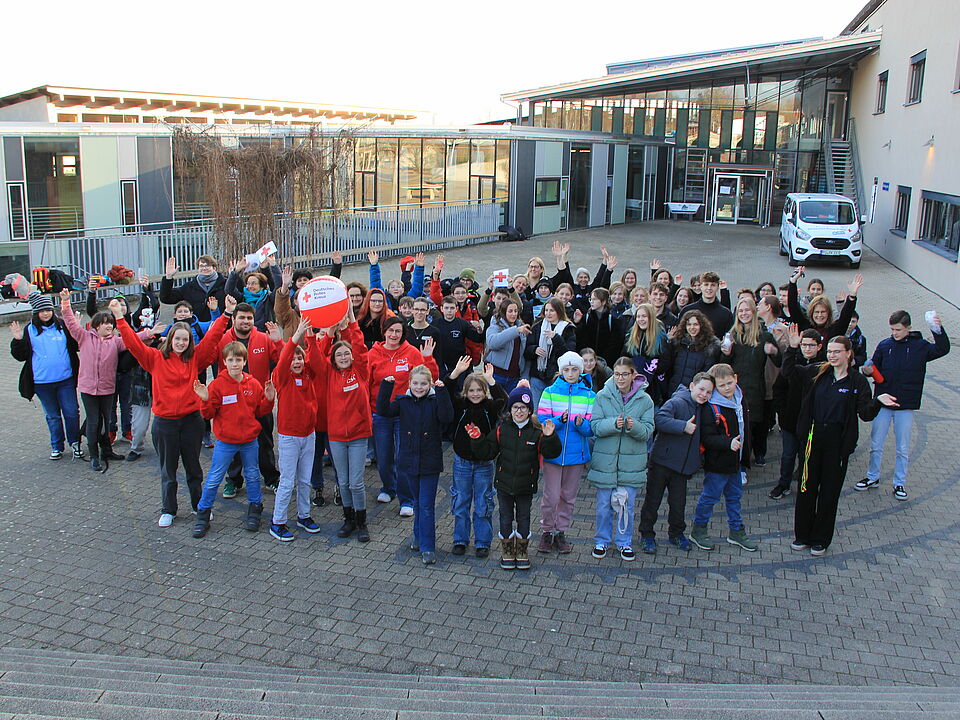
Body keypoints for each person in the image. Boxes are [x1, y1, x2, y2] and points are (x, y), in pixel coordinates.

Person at [115, 294, 234, 527]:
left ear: (190, 342)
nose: (181, 343)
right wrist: (120, 318)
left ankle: (199, 505)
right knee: (168, 469)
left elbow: (212, 338)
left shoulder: (195, 358)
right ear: (170, 339)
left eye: (185, 340)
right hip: (165, 423)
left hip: (191, 421)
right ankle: (168, 509)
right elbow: (133, 345)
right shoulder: (154, 358)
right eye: (178, 339)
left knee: (193, 468)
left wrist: (227, 314)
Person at [786, 330, 896, 555]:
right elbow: (788, 372)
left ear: (848, 353)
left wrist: (878, 401)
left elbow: (865, 413)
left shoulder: (857, 381)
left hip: (837, 442)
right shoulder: (818, 372)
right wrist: (792, 348)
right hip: (813, 437)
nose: (832, 356)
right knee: (806, 488)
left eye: (837, 352)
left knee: (829, 492)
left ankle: (821, 539)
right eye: (829, 352)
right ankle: (802, 535)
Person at [856, 310, 949, 500]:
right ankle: (872, 477)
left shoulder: (920, 346)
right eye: (892, 329)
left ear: (909, 328)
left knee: (903, 447)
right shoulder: (885, 345)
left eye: (898, 329)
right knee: (876, 443)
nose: (894, 333)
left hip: (905, 405)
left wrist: (937, 329)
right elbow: (873, 365)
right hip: (883, 402)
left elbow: (942, 349)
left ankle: (899, 483)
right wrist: (867, 370)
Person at [60, 291, 157, 472]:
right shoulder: (84, 337)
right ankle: (94, 456)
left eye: (111, 323)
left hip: (107, 389)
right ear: (96, 326)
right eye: (105, 323)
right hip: (88, 389)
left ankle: (107, 451)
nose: (109, 326)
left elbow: (133, 339)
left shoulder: (116, 342)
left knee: (106, 420)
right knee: (93, 422)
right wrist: (66, 303)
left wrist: (150, 333)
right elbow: (70, 322)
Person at [468, 384, 561, 571]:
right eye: (516, 407)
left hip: (526, 486)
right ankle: (508, 551)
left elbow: (552, 452)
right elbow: (488, 452)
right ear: (510, 410)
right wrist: (477, 439)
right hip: (504, 485)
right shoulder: (502, 430)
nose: (519, 411)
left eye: (523, 408)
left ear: (530, 410)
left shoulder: (536, 432)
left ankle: (522, 551)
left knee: (524, 518)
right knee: (505, 518)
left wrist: (550, 437)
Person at [192, 341, 276, 538]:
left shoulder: (253, 384)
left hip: (249, 441)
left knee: (253, 476)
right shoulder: (217, 385)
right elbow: (208, 414)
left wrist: (269, 399)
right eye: (231, 360)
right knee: (214, 477)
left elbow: (260, 411)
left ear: (244, 361)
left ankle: (255, 508)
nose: (235, 364)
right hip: (226, 442)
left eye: (238, 360)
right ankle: (203, 513)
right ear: (224, 362)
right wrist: (205, 399)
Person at [377, 365, 453, 565]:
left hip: (430, 462)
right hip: (409, 461)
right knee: (418, 503)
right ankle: (418, 537)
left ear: (430, 384)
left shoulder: (435, 402)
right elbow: (383, 410)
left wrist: (442, 391)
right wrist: (386, 387)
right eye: (416, 383)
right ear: (409, 383)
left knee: (426, 506)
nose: (419, 387)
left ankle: (428, 547)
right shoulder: (403, 402)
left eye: (424, 384)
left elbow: (447, 417)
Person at [367, 316, 439, 515]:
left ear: (403, 333)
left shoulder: (412, 353)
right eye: (390, 330)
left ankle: (407, 499)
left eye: (398, 331)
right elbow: (366, 383)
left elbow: (430, 378)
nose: (393, 334)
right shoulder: (372, 354)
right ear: (384, 332)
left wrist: (428, 358)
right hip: (380, 413)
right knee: (383, 456)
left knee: (403, 457)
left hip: (405, 413)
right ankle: (388, 488)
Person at [587, 358, 654, 561]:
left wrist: (635, 427)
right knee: (603, 506)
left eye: (625, 374)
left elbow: (648, 431)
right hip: (605, 462)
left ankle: (624, 542)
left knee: (627, 506)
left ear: (633, 375)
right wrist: (613, 424)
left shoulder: (645, 400)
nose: (620, 378)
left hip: (631, 463)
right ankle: (602, 540)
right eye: (617, 374)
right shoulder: (602, 396)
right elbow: (595, 426)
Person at [640, 373, 715, 552]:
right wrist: (683, 426)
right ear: (692, 386)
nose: (704, 394)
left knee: (678, 504)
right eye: (701, 389)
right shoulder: (677, 402)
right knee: (653, 501)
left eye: (709, 392)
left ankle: (676, 533)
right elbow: (659, 419)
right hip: (661, 463)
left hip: (682, 467)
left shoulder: (704, 408)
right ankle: (647, 535)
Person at [689, 363, 758, 552]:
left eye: (729, 383)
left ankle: (736, 531)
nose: (727, 388)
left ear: (735, 378)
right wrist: (728, 443)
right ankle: (698, 530)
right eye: (722, 385)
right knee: (710, 497)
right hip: (718, 463)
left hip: (736, 461)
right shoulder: (711, 407)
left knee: (734, 497)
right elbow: (707, 437)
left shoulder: (740, 399)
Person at [317, 312, 372, 542]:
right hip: (337, 436)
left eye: (346, 353)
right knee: (344, 481)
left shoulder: (360, 371)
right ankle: (348, 518)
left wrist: (350, 319)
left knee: (356, 482)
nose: (343, 357)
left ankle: (361, 521)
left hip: (358, 435)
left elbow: (359, 345)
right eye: (338, 354)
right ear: (333, 358)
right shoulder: (328, 374)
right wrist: (329, 334)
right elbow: (318, 354)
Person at [217, 304, 282, 496]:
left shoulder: (263, 338)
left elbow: (283, 359)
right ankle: (234, 480)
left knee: (265, 443)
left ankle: (271, 478)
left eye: (249, 318)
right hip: (232, 404)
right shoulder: (223, 340)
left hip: (259, 402)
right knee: (233, 446)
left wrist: (278, 341)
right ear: (233, 319)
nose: (245, 321)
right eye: (242, 317)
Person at [268, 318, 324, 542]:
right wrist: (296, 335)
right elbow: (283, 360)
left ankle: (304, 515)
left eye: (300, 358)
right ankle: (278, 522)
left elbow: (317, 362)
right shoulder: (281, 378)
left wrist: (310, 336)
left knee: (305, 479)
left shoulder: (309, 374)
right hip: (290, 437)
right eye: (293, 358)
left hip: (309, 435)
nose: (297, 361)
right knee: (287, 481)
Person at [446, 358, 508, 558]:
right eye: (471, 390)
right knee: (461, 501)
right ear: (465, 391)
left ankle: (482, 541)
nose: (475, 394)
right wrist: (455, 373)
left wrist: (491, 381)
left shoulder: (490, 407)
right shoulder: (460, 405)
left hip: (484, 463)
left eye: (479, 390)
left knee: (483, 503)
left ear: (484, 391)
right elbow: (444, 391)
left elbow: (503, 400)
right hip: (462, 462)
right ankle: (460, 539)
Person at [10, 292, 82, 461]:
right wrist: (18, 340)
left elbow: (77, 346)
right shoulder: (30, 330)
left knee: (71, 413)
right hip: (42, 382)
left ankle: (75, 443)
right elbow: (21, 356)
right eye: (42, 311)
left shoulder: (62, 326)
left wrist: (76, 329)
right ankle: (57, 446)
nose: (46, 313)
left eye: (48, 310)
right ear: (36, 313)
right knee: (53, 416)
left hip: (65, 379)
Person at [536, 351, 596, 554]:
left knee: (568, 497)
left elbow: (591, 428)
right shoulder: (549, 392)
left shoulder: (589, 395)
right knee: (551, 497)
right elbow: (542, 422)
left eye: (575, 369)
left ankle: (560, 532)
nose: (571, 373)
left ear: (581, 371)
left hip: (576, 455)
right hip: (553, 453)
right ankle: (546, 530)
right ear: (561, 371)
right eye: (567, 370)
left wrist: (581, 424)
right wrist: (559, 421)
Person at [721, 297, 780, 470]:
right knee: (735, 427)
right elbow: (722, 364)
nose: (744, 314)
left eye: (747, 310)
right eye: (740, 311)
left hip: (755, 389)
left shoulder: (765, 336)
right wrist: (726, 353)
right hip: (734, 388)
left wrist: (774, 351)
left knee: (752, 426)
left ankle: (749, 460)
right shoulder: (732, 335)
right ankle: (737, 462)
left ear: (754, 312)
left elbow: (779, 361)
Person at [769, 329, 822, 500]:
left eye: (811, 345)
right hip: (790, 421)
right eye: (804, 345)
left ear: (819, 347)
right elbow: (779, 387)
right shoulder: (792, 362)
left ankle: (804, 485)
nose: (807, 348)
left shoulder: (823, 367)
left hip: (811, 422)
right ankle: (783, 484)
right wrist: (782, 413)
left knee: (807, 456)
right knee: (787, 456)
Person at [524, 298, 576, 409]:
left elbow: (568, 355)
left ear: (559, 311)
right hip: (538, 374)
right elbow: (526, 349)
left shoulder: (568, 329)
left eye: (552, 310)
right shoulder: (538, 326)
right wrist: (534, 349)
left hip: (556, 377)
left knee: (554, 409)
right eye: (546, 310)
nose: (548, 313)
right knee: (535, 409)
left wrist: (556, 338)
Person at [623, 303, 672, 407]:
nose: (641, 319)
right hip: (632, 381)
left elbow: (665, 362)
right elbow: (624, 356)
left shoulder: (660, 337)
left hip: (652, 386)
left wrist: (648, 370)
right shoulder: (631, 335)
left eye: (644, 316)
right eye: (638, 316)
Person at [159, 254, 227, 322]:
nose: (204, 268)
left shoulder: (225, 284)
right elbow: (166, 298)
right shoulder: (189, 287)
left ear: (214, 268)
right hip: (195, 326)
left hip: (221, 325)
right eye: (201, 266)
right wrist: (168, 277)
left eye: (207, 265)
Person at [484, 299, 530, 394]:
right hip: (497, 374)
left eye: (515, 311)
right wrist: (515, 331)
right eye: (510, 311)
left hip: (515, 376)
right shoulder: (496, 326)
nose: (513, 314)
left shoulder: (521, 326)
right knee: (497, 401)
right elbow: (492, 343)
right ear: (504, 312)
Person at [667, 310, 720, 393]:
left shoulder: (709, 347)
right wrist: (668, 342)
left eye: (695, 324)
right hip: (674, 390)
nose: (692, 327)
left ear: (701, 326)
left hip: (694, 393)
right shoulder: (679, 343)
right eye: (689, 324)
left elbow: (706, 373)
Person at [224, 258, 280, 331]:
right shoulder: (242, 298)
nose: (250, 286)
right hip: (244, 333)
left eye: (253, 283)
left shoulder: (268, 298)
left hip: (264, 334)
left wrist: (273, 266)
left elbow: (279, 287)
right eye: (248, 283)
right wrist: (235, 272)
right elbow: (229, 290)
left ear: (262, 286)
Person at [574, 288, 623, 368]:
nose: (591, 302)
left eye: (595, 299)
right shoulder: (586, 318)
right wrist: (577, 323)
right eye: (591, 299)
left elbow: (615, 344)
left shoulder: (612, 320)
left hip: (606, 363)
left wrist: (604, 359)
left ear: (603, 302)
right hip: (587, 362)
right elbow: (580, 340)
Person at [678, 271, 734, 338]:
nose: (709, 288)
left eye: (713, 285)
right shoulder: (687, 310)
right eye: (706, 285)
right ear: (701, 286)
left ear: (717, 287)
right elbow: (680, 335)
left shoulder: (726, 314)